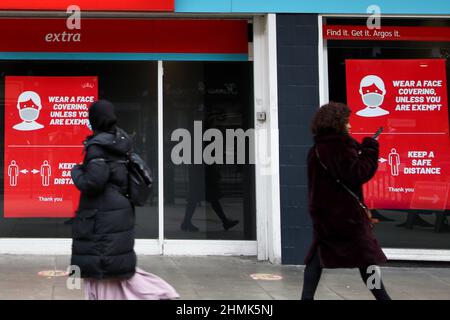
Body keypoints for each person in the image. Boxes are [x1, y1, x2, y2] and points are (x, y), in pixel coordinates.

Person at [70, 99, 179, 300]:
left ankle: (159, 293)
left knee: (103, 268)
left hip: (101, 215)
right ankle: (159, 292)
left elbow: (94, 182)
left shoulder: (97, 147)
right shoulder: (121, 140)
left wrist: (76, 171)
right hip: (119, 210)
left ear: (94, 119)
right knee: (115, 269)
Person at [301, 102, 391, 300]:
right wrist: (371, 149)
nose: (350, 126)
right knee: (367, 259)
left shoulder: (316, 149)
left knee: (317, 258)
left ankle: (306, 298)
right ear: (337, 123)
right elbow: (358, 173)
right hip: (347, 217)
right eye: (347, 122)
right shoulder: (340, 147)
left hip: (325, 215)